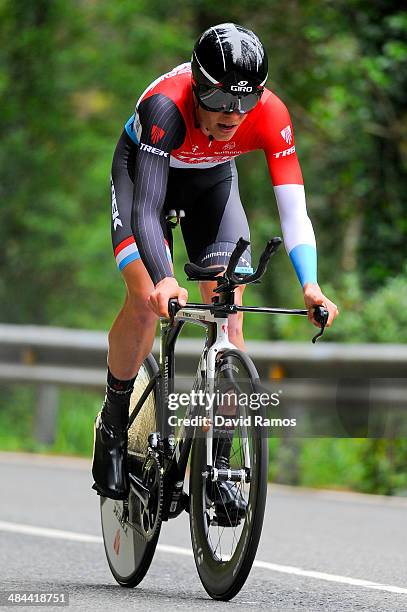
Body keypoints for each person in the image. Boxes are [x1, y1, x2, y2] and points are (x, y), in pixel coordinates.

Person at [92, 23, 339, 502]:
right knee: (146, 301)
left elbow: (294, 209)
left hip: (212, 185)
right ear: (198, 88)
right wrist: (164, 278)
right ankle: (115, 426)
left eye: (244, 103)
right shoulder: (164, 105)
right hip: (145, 176)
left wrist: (310, 284)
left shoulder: (271, 115)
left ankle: (219, 465)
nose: (233, 115)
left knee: (230, 320)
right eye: (222, 102)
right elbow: (146, 208)